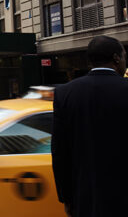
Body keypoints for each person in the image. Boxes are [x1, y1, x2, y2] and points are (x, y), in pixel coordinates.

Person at [52, 35, 128, 217]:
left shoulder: (65, 93)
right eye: (124, 56)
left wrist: (66, 197)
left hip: (86, 196)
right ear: (116, 58)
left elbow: (60, 152)